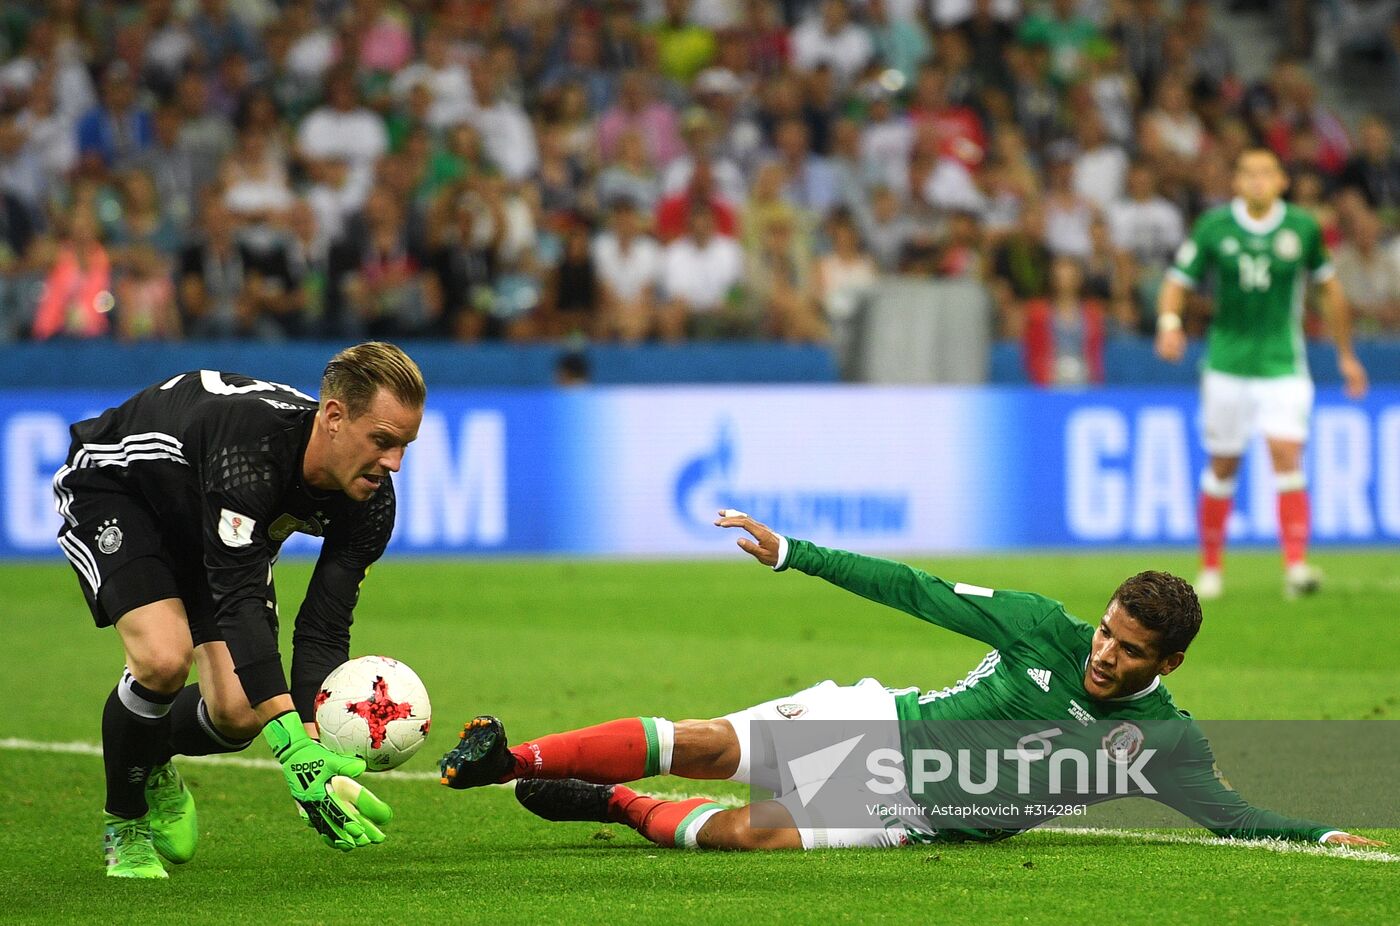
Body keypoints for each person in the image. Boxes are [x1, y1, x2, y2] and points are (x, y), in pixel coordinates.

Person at [438, 511, 1384, 853]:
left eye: (1129, 652)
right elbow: (916, 590)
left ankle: (614, 804)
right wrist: (793, 554)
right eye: (1106, 632)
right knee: (710, 744)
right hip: (881, 726)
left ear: (1166, 665)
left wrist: (1318, 831)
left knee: (737, 836)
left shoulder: (1162, 740)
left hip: (909, 812)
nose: (1104, 653)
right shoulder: (1038, 626)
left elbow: (1227, 812)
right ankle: (508, 756)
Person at [54, 342, 425, 878]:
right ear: (335, 418)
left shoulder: (371, 504)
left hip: (210, 521)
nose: (393, 463)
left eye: (404, 446)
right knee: (163, 658)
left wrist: (314, 751)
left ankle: (148, 748)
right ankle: (125, 823)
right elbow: (239, 599)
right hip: (119, 491)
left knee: (237, 712)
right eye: (383, 442)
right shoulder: (251, 451)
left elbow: (324, 625)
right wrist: (287, 744)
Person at [1156, 149, 1369, 601]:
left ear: (1281, 181)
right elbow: (1177, 281)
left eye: (1266, 173)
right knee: (1223, 464)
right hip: (1226, 364)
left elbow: (1329, 293)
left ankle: (1296, 565)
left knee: (1286, 453)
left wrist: (1346, 354)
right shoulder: (1214, 226)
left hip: (1283, 363)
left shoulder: (1302, 228)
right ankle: (1210, 568)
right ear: (1236, 181)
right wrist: (1169, 324)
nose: (1257, 181)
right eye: (1248, 173)